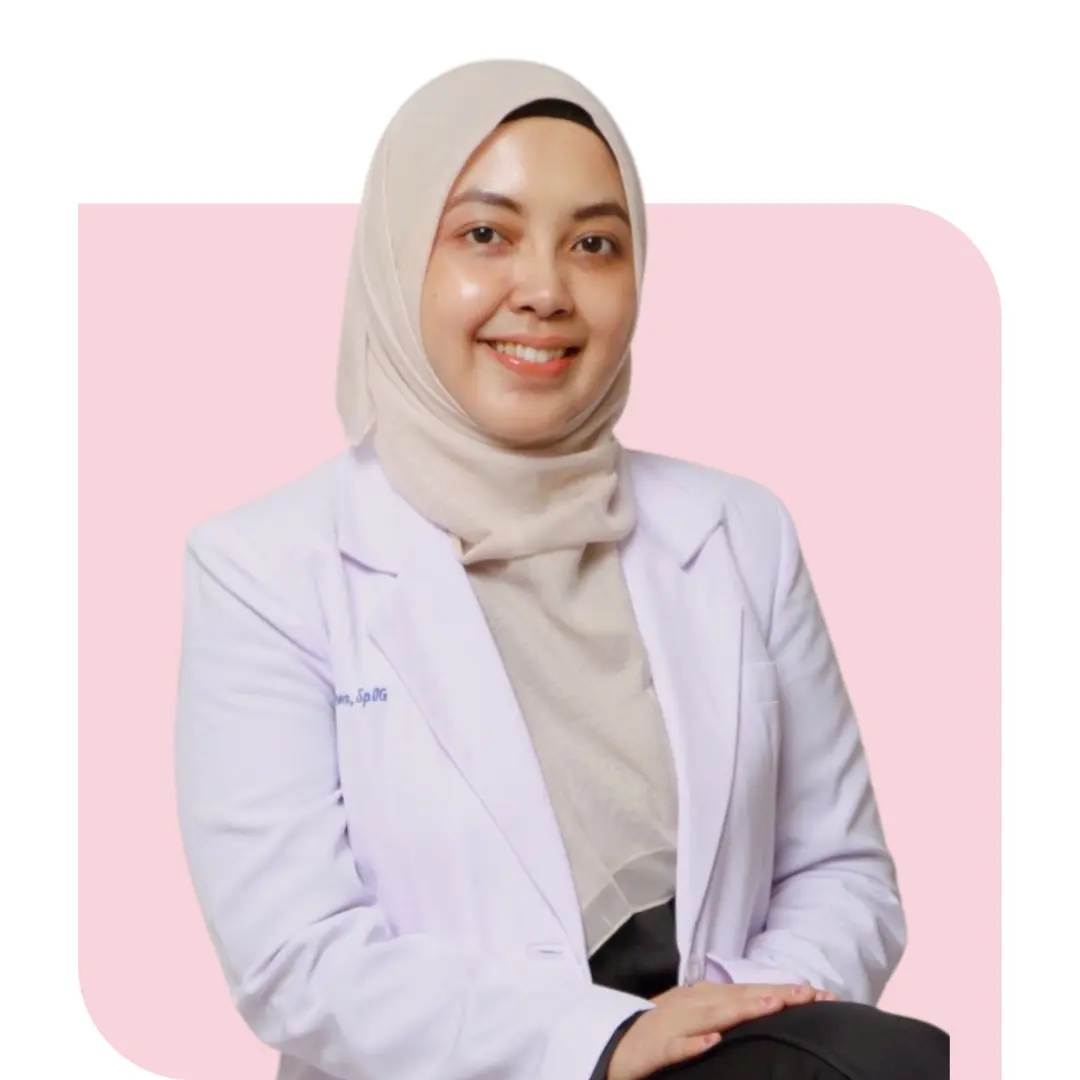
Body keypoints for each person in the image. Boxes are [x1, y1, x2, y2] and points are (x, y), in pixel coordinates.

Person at [174, 59, 949, 1080]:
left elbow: (840, 872)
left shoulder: (740, 529)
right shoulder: (267, 566)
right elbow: (297, 958)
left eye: (593, 244)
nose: (544, 291)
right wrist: (601, 1043)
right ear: (398, 257)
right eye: (484, 234)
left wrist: (725, 1032)